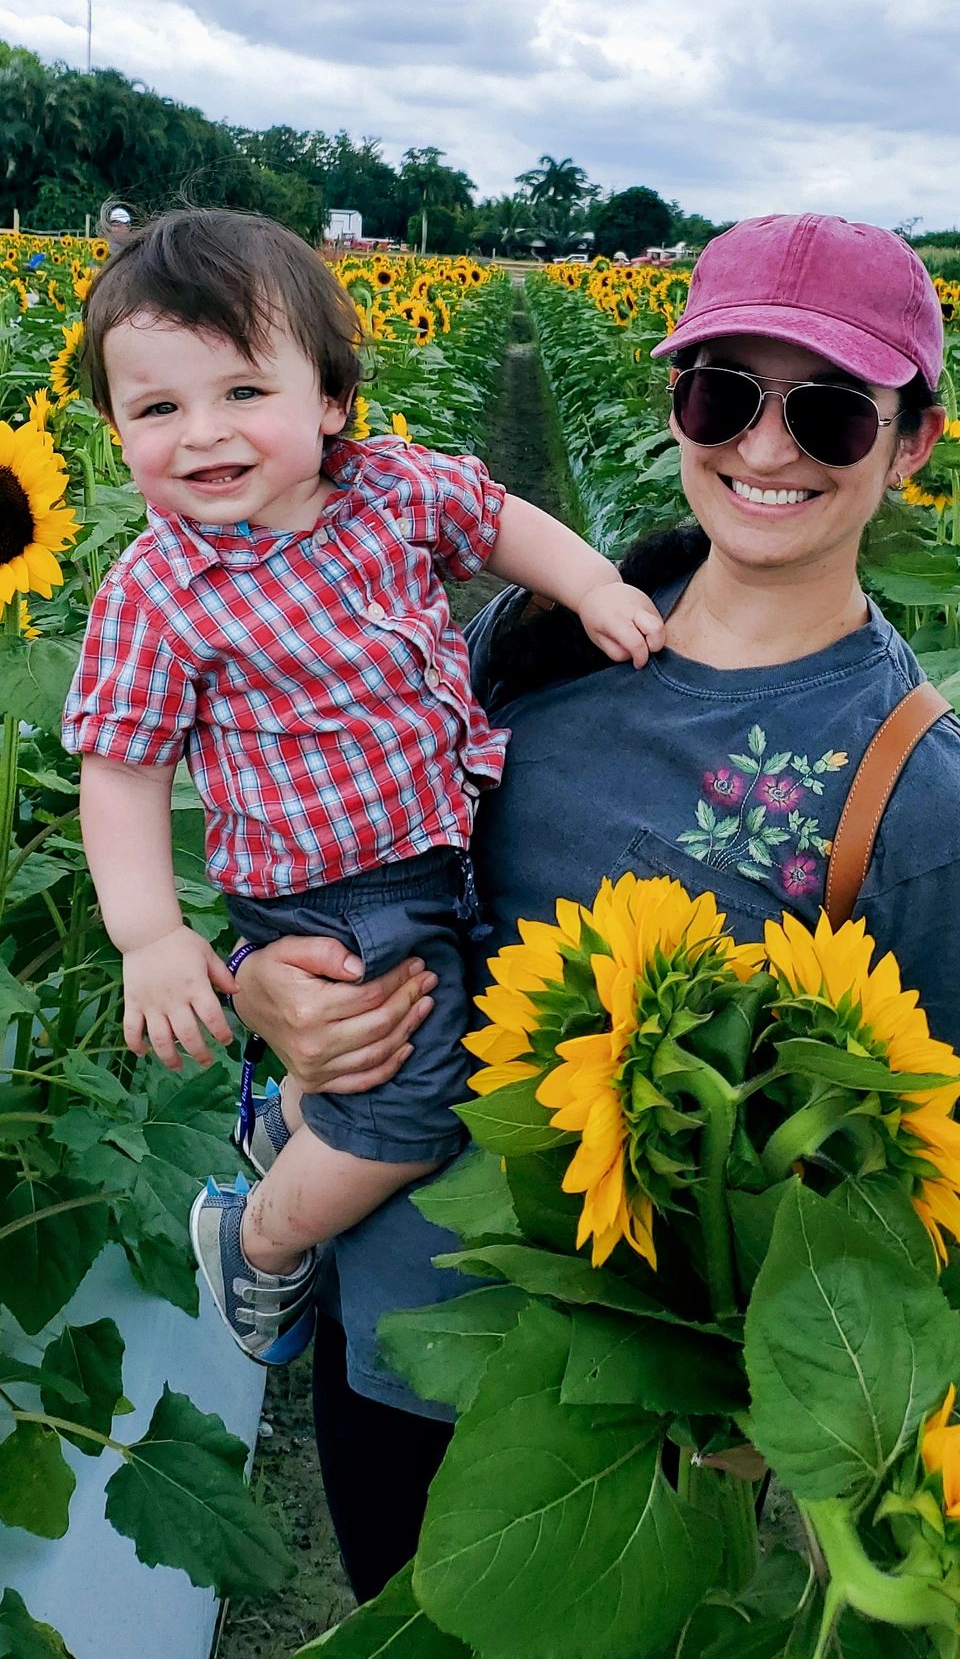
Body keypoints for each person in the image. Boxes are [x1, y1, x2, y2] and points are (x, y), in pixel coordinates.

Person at [228, 212, 960, 1601]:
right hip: (393, 1323)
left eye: (834, 413)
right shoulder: (543, 637)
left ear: (913, 442)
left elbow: (937, 1196)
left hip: (640, 1433)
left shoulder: (929, 815)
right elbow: (365, 870)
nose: (767, 449)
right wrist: (273, 997)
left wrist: (755, 1431)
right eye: (724, 392)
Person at [59, 208, 665, 1365]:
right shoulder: (159, 590)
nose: (203, 436)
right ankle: (264, 1241)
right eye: (157, 410)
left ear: (328, 399)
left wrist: (590, 585)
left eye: (243, 394)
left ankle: (289, 1122)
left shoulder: (391, 490)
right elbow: (122, 770)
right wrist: (149, 936)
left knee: (411, 1049)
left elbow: (498, 519)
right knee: (415, 1107)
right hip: (328, 901)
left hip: (437, 853)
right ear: (116, 430)